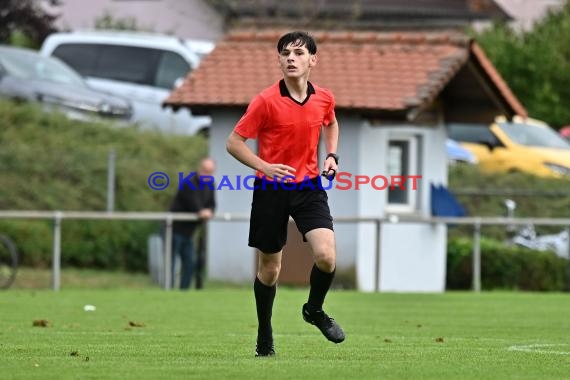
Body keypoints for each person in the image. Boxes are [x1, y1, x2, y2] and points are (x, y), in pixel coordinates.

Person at [226, 31, 344, 357]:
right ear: (278, 60)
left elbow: (331, 123)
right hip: (270, 190)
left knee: (327, 256)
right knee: (270, 270)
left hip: (308, 186)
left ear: (312, 60)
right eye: (285, 53)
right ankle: (265, 336)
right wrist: (265, 166)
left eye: (298, 53)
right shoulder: (265, 101)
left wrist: (331, 156)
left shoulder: (324, 98)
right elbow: (233, 143)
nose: (291, 58)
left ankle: (314, 311)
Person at [169, 157, 216, 290]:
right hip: (173, 229)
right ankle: (167, 292)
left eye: (211, 171)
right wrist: (203, 211)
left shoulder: (210, 185)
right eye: (206, 170)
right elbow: (195, 206)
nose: (208, 174)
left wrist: (209, 211)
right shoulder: (189, 182)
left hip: (189, 232)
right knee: (170, 264)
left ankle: (183, 293)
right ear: (200, 169)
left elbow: (212, 205)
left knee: (190, 263)